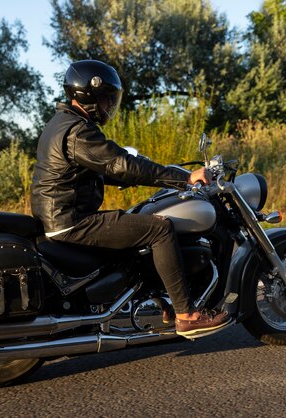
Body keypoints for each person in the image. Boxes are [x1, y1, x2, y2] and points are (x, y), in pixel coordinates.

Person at [30, 59, 229, 338]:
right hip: (71, 221)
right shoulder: (78, 131)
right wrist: (184, 177)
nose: (109, 106)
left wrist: (126, 176)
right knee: (159, 229)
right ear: (89, 96)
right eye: (106, 99)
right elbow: (121, 164)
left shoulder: (63, 123)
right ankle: (187, 315)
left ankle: (164, 302)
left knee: (136, 222)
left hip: (62, 216)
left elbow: (90, 169)